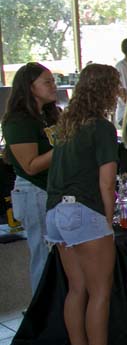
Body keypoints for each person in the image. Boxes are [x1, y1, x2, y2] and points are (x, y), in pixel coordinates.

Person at [43, 63, 127, 345]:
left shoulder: (67, 123)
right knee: (100, 291)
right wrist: (107, 223)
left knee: (76, 288)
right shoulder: (101, 128)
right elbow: (107, 183)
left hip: (56, 211)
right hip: (83, 211)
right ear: (106, 90)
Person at [3, 63, 59, 293]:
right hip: (34, 191)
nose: (53, 85)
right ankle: (42, 312)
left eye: (53, 80)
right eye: (47, 82)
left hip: (53, 189)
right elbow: (30, 165)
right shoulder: (18, 121)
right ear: (30, 87)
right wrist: (64, 146)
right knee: (43, 255)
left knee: (56, 254)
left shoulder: (48, 115)